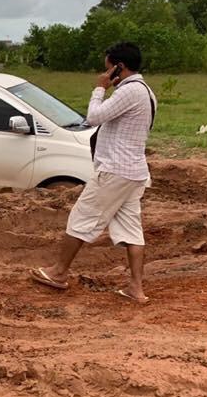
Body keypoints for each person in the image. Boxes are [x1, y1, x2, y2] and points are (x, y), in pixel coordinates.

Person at [31, 42, 157, 304]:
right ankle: (136, 288)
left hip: (115, 170)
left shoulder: (129, 91)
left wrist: (100, 87)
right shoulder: (146, 91)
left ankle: (58, 272)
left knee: (82, 218)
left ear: (118, 67)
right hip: (133, 171)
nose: (105, 71)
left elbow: (93, 117)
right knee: (131, 229)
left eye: (108, 67)